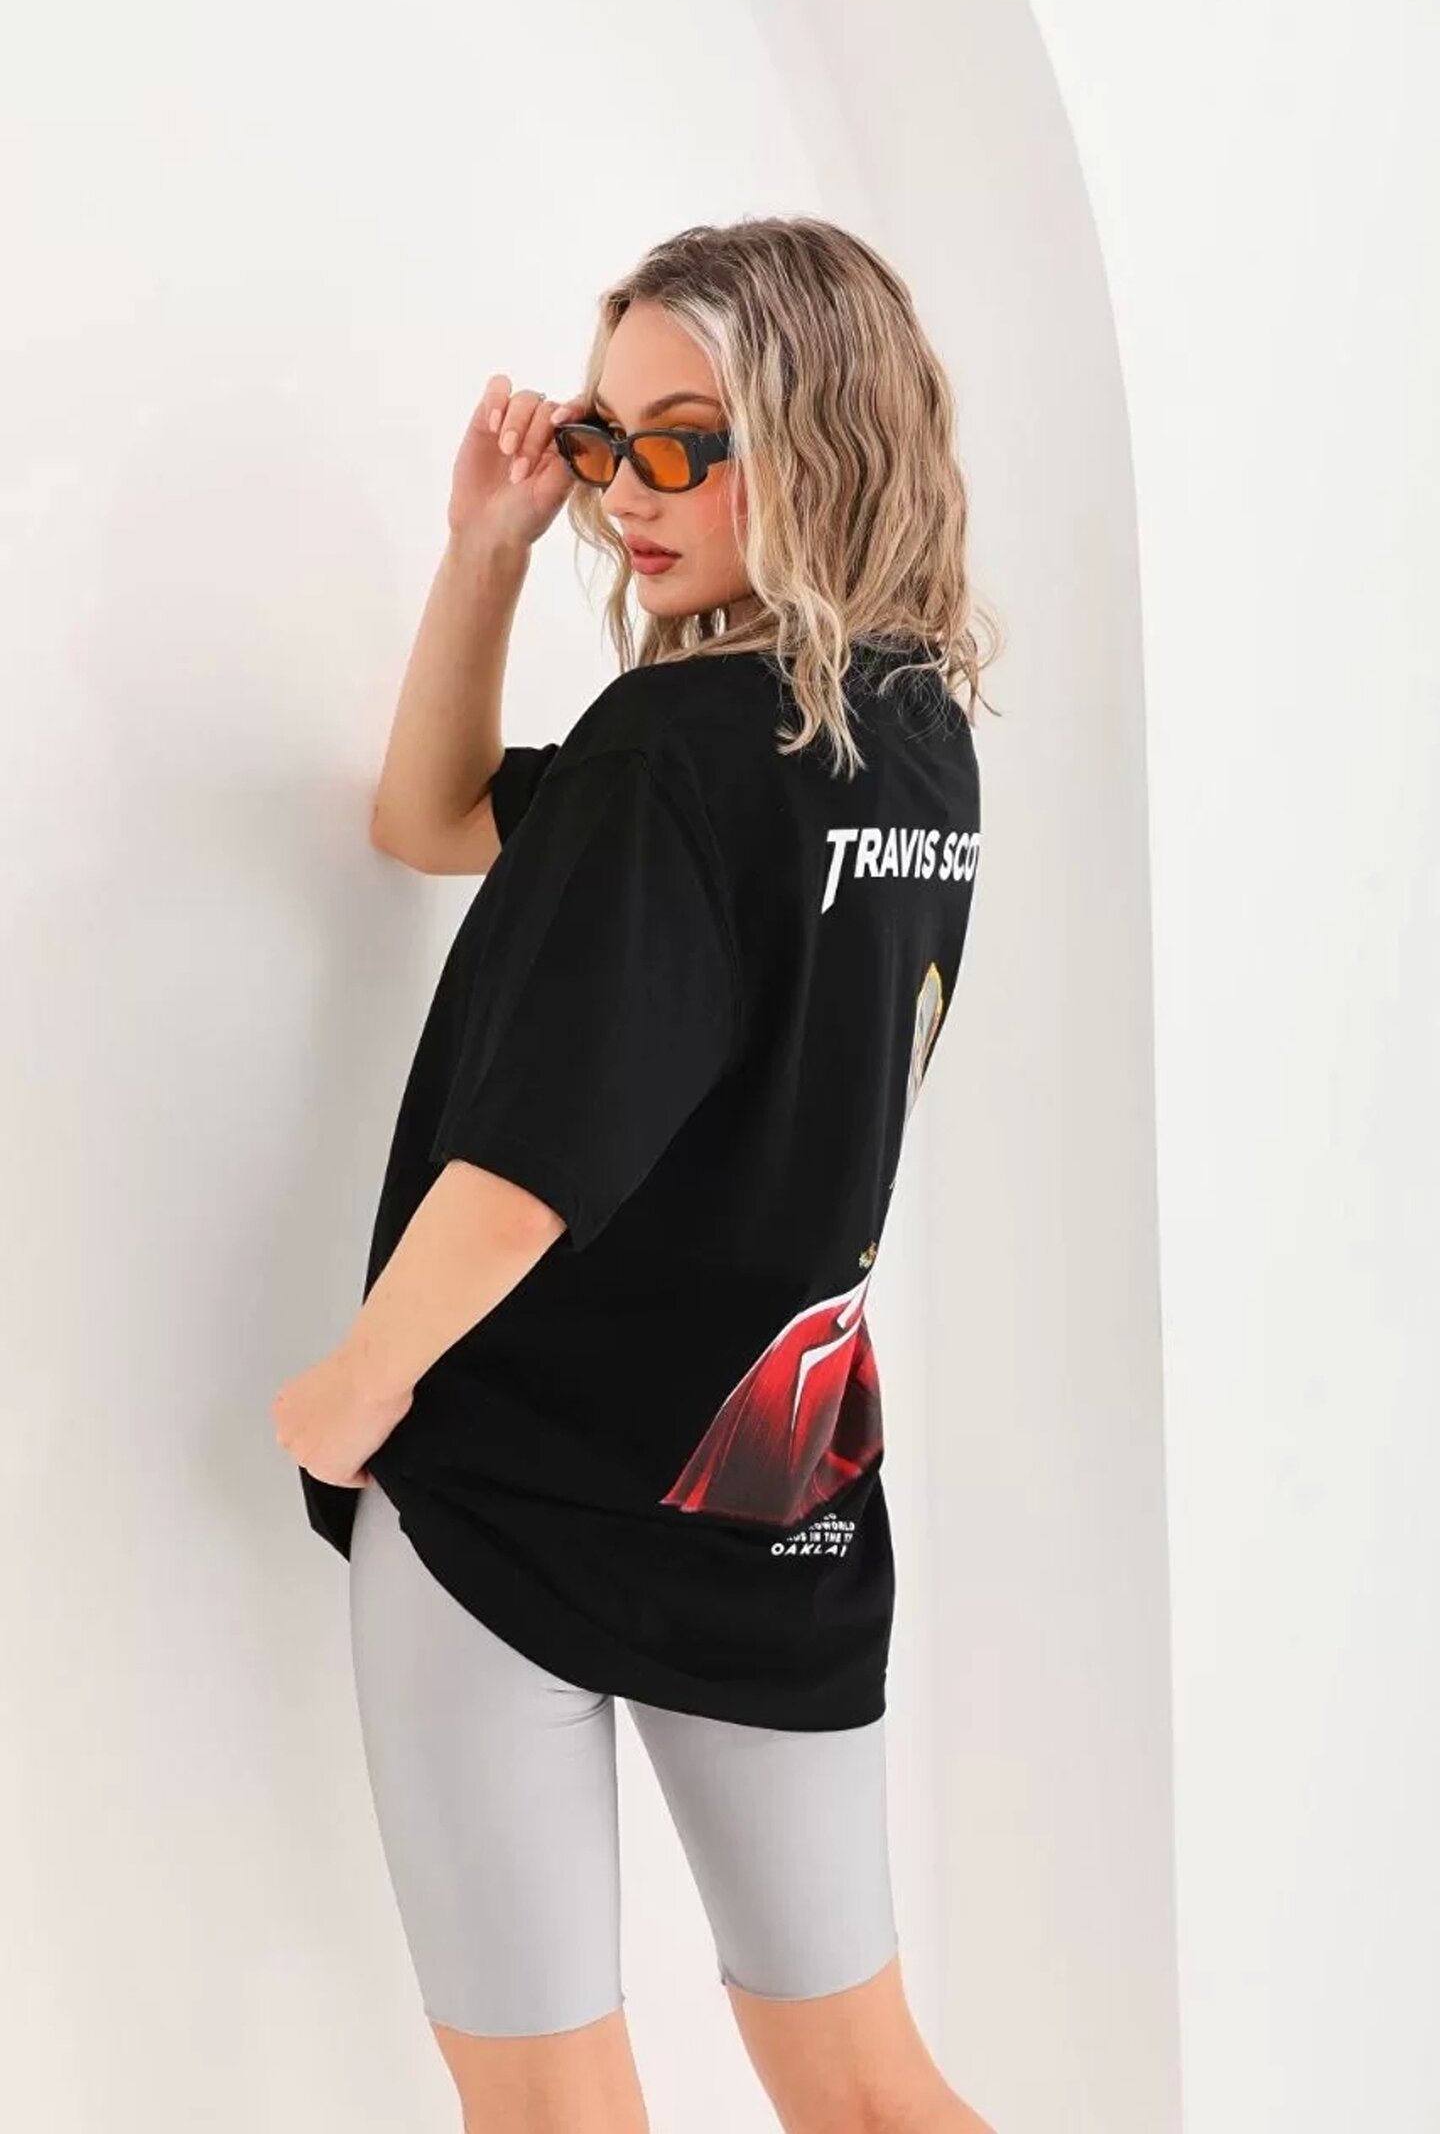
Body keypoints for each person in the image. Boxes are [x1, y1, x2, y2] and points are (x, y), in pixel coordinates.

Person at [272, 215, 1000, 2134]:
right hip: (780, 1493)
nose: (626, 492)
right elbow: (434, 816)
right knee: (867, 2086)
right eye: (605, 440)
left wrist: (358, 1385)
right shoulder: (915, 742)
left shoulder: (669, 748)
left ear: (821, 438)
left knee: (551, 2112)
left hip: (514, 1497)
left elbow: (539, 1151)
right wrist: (490, 547)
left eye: (687, 442)